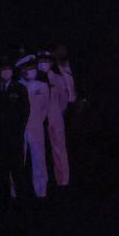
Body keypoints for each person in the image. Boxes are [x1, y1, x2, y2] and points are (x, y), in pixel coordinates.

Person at [0, 62, 31, 204]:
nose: (5, 72)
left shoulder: (19, 88)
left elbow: (25, 111)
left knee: (18, 170)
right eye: (3, 70)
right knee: (1, 170)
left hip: (14, 137)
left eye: (8, 70)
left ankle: (22, 201)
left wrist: (18, 130)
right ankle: (4, 200)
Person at [40, 49, 75, 191]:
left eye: (46, 61)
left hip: (55, 116)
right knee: (40, 151)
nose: (43, 64)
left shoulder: (58, 78)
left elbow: (64, 100)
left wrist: (56, 112)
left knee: (59, 149)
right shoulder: (35, 79)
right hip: (39, 119)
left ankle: (63, 181)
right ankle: (43, 183)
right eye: (41, 61)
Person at [18, 58, 51, 200]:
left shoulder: (43, 86)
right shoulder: (17, 86)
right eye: (27, 68)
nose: (30, 71)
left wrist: (37, 121)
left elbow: (45, 107)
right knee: (18, 160)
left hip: (36, 126)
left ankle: (41, 192)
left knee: (39, 159)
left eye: (32, 67)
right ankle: (16, 191)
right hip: (19, 127)